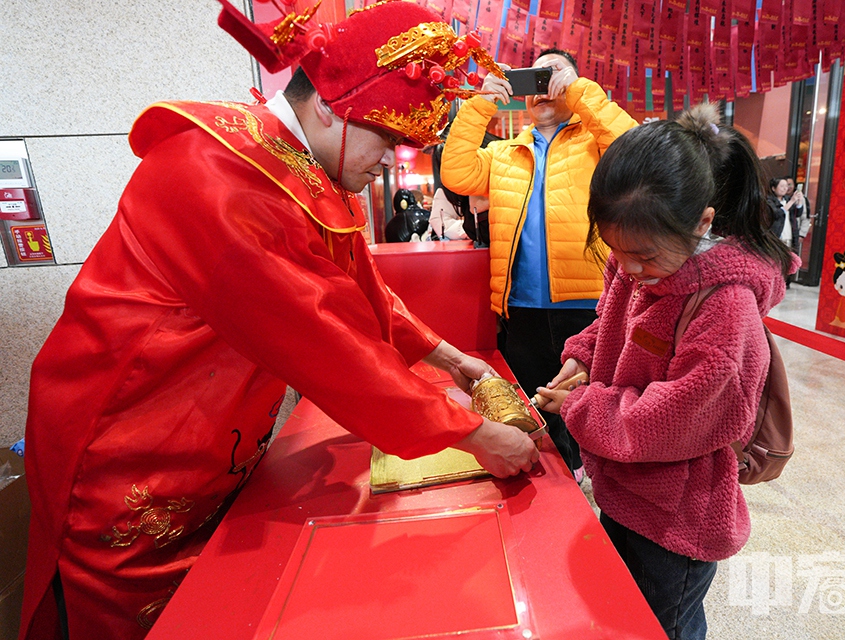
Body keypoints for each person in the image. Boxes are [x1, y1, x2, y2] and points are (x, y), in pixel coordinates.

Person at [18, 3, 538, 639]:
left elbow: (356, 289)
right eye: (388, 139)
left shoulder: (296, 166)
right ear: (326, 107)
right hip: (130, 424)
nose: (392, 161)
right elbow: (326, 339)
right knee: (138, 610)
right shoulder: (218, 179)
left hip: (204, 419)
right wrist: (476, 434)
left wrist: (450, 359)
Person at [534, 103, 798, 639]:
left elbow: (680, 418)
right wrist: (582, 357)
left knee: (663, 625)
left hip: (677, 515)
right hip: (626, 488)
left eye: (642, 257)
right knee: (620, 611)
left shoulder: (726, 308)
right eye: (615, 249)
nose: (627, 268)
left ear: (702, 221)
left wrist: (585, 407)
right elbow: (608, 318)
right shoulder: (643, 255)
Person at [440, 48, 637, 479]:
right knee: (535, 408)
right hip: (522, 309)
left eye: (553, 75)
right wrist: (481, 104)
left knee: (590, 408)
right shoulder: (506, 153)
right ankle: (556, 487)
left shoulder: (598, 145)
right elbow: (455, 173)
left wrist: (581, 91)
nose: (542, 87)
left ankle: (595, 481)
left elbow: (633, 149)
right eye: (535, 79)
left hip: (589, 307)